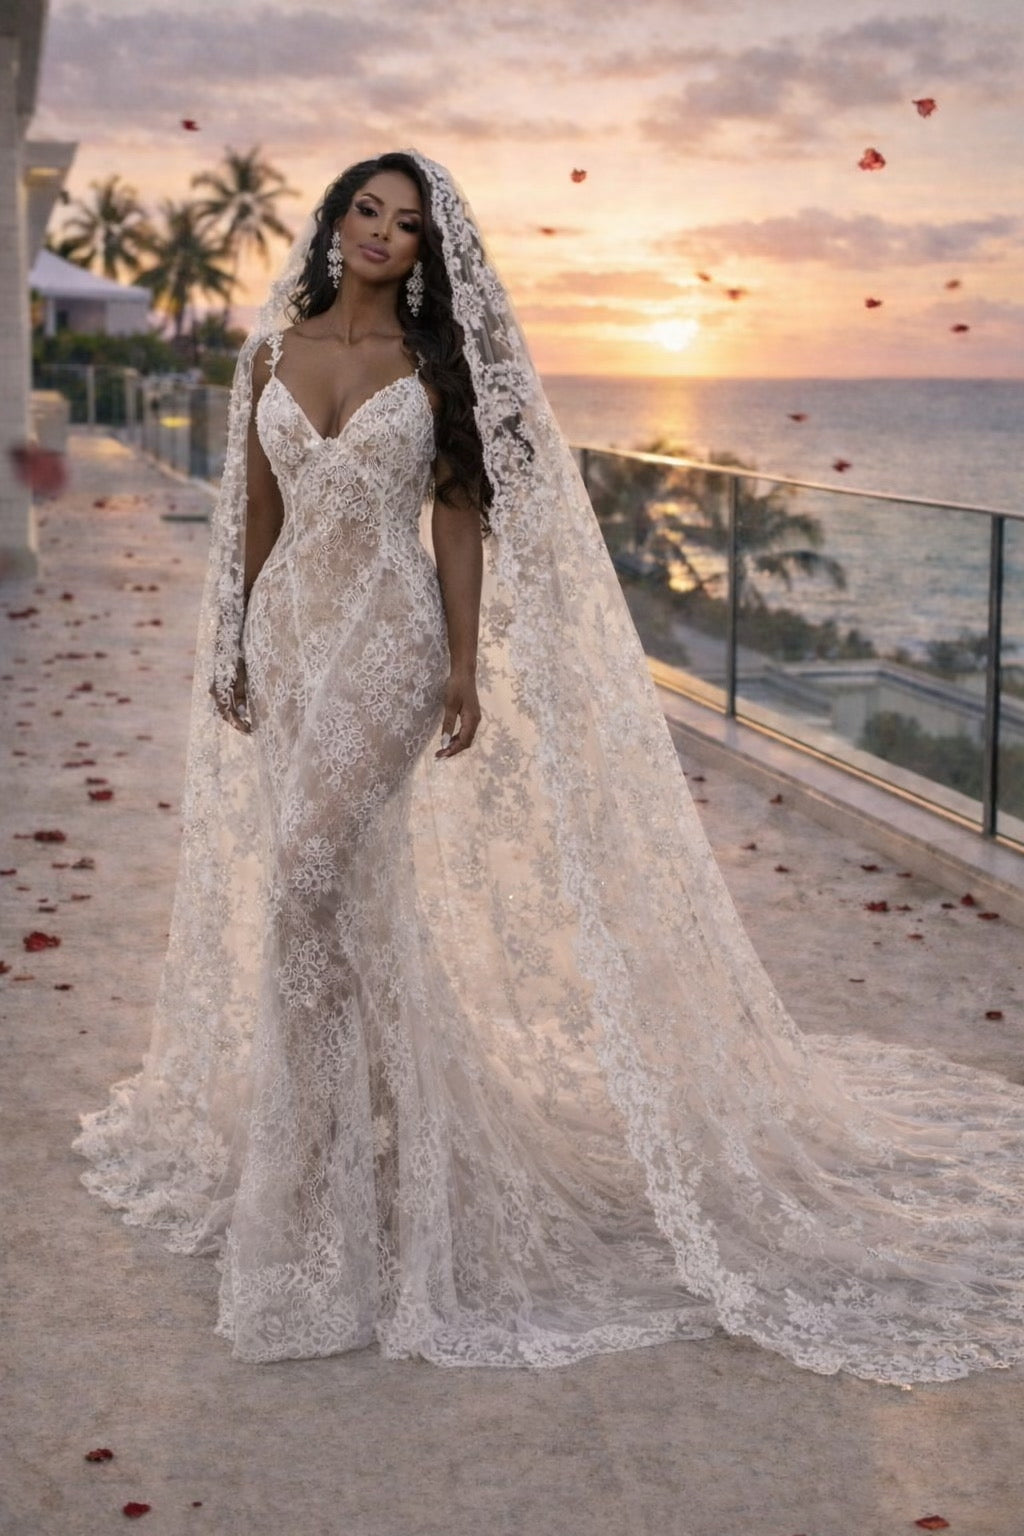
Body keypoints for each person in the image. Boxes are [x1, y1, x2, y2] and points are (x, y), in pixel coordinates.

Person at [75, 150, 1024, 1380]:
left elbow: (456, 521)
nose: (380, 232)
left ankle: (306, 1161)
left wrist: (464, 664)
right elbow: (258, 514)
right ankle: (375, 1131)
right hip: (292, 641)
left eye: (405, 223)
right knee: (342, 903)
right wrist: (235, 646)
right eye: (365, 211)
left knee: (308, 879)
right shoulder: (269, 355)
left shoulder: (432, 368)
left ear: (427, 249)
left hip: (390, 648)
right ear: (333, 225)